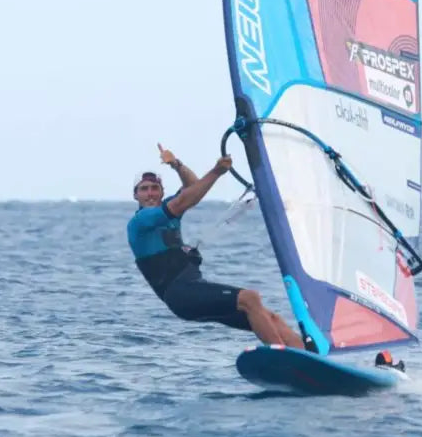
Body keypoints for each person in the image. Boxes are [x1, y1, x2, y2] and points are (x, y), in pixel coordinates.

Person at [127, 143, 307, 349]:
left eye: (154, 188)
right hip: (181, 295)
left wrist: (177, 164)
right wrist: (217, 171)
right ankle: (282, 357)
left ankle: (310, 359)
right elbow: (182, 202)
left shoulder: (167, 211)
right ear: (135, 195)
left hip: (195, 287)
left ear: (161, 191)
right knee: (250, 298)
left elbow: (193, 186)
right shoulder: (141, 221)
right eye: (144, 189)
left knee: (269, 316)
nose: (150, 193)